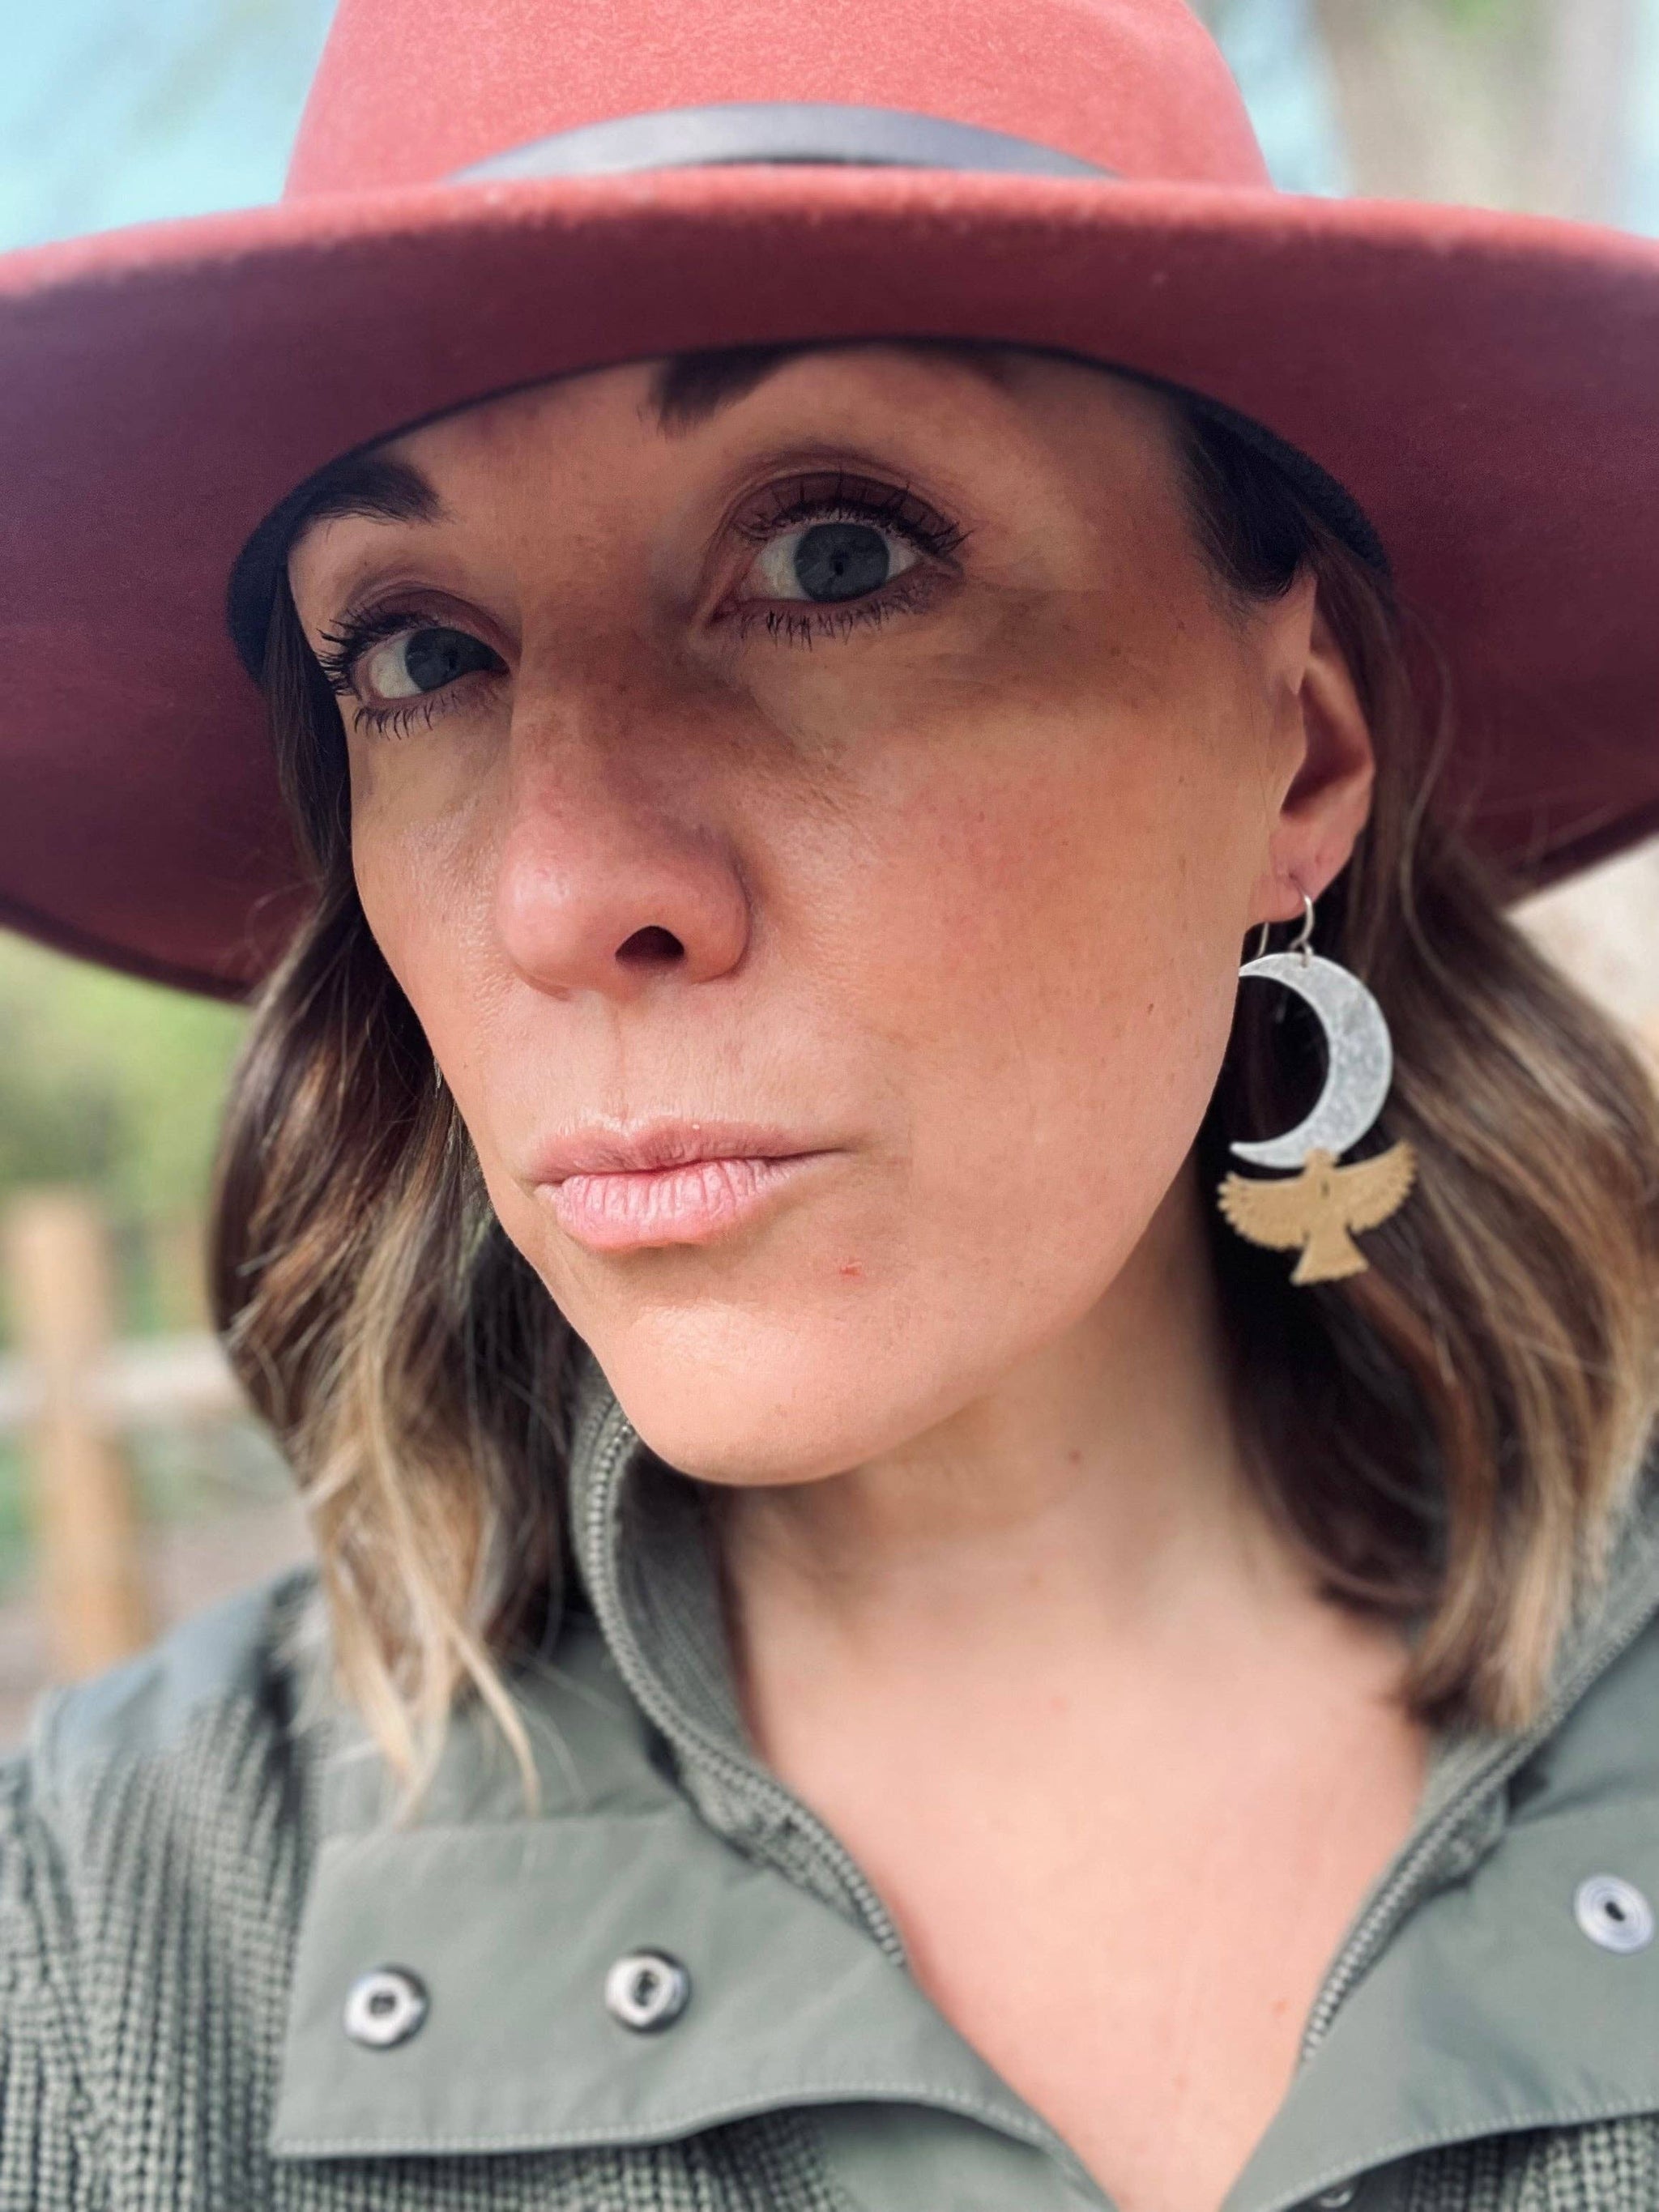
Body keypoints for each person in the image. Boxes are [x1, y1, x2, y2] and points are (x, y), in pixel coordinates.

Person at [2, 1, 1658, 2207]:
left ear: (1305, 751)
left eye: (837, 559)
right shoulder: (116, 1939)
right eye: (416, 650)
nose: (561, 892)